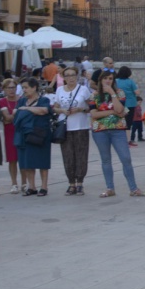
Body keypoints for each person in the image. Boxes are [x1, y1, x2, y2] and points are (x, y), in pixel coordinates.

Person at [89, 69, 145, 198]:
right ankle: (110, 188)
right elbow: (93, 114)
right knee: (106, 160)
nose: (108, 81)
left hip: (118, 129)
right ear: (100, 80)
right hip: (100, 131)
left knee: (126, 158)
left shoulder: (119, 93)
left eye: (110, 78)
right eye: (105, 78)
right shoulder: (94, 95)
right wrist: (111, 112)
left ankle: (133, 188)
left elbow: (120, 109)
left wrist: (112, 94)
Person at [50, 65, 93, 195]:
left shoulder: (83, 89)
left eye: (73, 75)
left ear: (77, 76)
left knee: (81, 154)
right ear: (63, 77)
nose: (70, 78)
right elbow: (55, 107)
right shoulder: (59, 90)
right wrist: (63, 110)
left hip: (80, 126)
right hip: (65, 127)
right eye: (67, 75)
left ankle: (80, 182)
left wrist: (81, 109)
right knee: (68, 155)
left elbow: (91, 106)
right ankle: (71, 183)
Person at [13, 77, 54, 196]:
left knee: (42, 161)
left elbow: (44, 110)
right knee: (27, 161)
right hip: (25, 134)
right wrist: (29, 110)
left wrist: (26, 109)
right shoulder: (21, 100)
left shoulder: (43, 99)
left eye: (26, 87)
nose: (24, 90)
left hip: (40, 134)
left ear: (34, 87)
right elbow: (15, 113)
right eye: (23, 88)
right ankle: (31, 186)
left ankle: (44, 187)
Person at [0, 78, 22, 193]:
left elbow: (11, 118)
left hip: (21, 130)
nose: (11, 90)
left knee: (23, 158)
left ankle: (25, 182)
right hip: (10, 131)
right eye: (9, 88)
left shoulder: (22, 100)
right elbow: (6, 118)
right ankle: (14, 183)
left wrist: (11, 117)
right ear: (4, 89)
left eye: (13, 87)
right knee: (12, 158)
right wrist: (16, 114)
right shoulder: (2, 101)